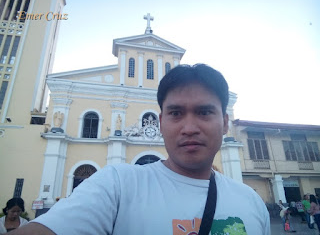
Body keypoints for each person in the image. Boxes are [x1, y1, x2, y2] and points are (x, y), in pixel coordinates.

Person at [8, 64, 270, 234]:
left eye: (204, 112)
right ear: (160, 123)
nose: (189, 127)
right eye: (176, 113)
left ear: (225, 122)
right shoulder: (116, 186)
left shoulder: (252, 203)